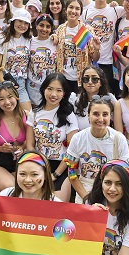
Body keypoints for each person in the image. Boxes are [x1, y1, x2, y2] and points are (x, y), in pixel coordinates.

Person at [65, 95, 129, 203]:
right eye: (96, 114)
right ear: (88, 115)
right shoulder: (78, 138)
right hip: (85, 188)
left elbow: (126, 173)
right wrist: (86, 198)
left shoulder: (119, 139)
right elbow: (71, 172)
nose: (100, 119)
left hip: (112, 190)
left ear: (110, 116)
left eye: (105, 114)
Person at [0, 80, 35, 192]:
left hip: (17, 161)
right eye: (1, 99)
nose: (7, 102)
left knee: (27, 188)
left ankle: (0, 188)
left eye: (10, 97)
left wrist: (22, 147)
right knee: (12, 188)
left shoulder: (26, 115)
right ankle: (1, 186)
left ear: (16, 97)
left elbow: (30, 140)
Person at [29, 73, 77, 201]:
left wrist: (55, 174)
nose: (53, 94)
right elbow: (30, 145)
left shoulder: (69, 116)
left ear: (64, 93)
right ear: (43, 89)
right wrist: (37, 168)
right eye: (50, 89)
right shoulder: (34, 113)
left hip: (61, 166)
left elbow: (72, 151)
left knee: (57, 205)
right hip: (38, 164)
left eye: (58, 90)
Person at [54, 0, 101, 97]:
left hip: (82, 79)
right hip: (63, 78)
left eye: (77, 8)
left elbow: (95, 58)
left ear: (80, 12)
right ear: (65, 10)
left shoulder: (86, 30)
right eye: (71, 7)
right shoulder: (60, 29)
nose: (73, 11)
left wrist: (97, 48)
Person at [84, 0, 124, 93]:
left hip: (108, 62)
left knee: (107, 93)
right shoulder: (85, 13)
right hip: (90, 62)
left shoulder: (115, 10)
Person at [0, 9, 33, 112]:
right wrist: (6, 85)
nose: (22, 25)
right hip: (5, 81)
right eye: (20, 21)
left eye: (26, 23)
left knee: (28, 116)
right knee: (3, 116)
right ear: (13, 21)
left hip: (21, 83)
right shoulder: (3, 38)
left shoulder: (28, 39)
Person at [70, 65, 117, 131]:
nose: (90, 82)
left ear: (101, 82)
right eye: (86, 79)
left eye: (94, 79)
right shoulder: (75, 99)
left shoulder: (110, 98)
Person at [27, 14, 59, 107]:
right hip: (33, 86)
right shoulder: (30, 41)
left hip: (50, 86)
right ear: (36, 26)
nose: (44, 29)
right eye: (41, 25)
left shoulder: (56, 42)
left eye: (48, 26)